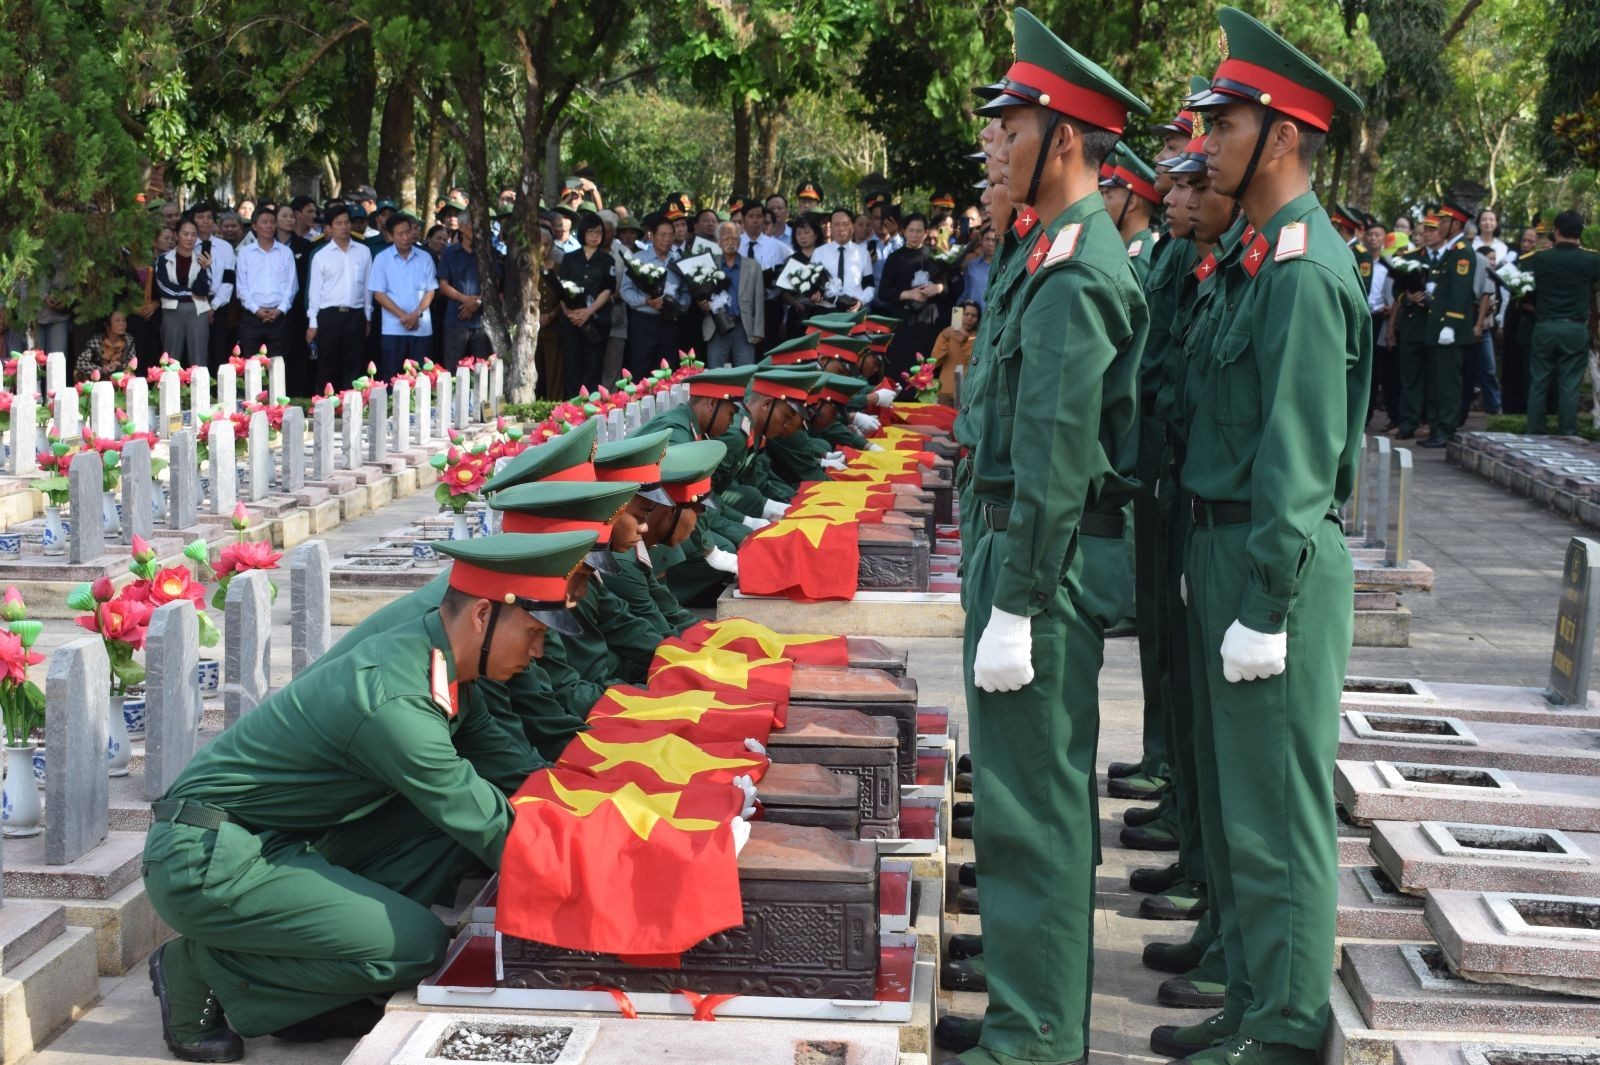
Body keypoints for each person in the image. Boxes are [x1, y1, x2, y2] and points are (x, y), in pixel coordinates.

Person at [142, 531, 594, 1062]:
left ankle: (316, 981)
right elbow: (488, 824)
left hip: (274, 840)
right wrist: (592, 887)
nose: (540, 652)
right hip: (207, 860)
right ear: (481, 618)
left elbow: (506, 769)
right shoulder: (397, 698)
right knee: (419, 948)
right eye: (534, 632)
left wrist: (593, 814)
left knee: (443, 824)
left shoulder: (439, 663)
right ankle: (199, 966)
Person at [1158, 10, 1368, 1065]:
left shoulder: (1300, 272)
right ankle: (1249, 1002)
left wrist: (1267, 599)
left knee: (1278, 816)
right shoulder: (1256, 261)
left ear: (1280, 134)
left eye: (1223, 126)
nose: (1204, 146)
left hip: (1266, 560)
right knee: (1238, 808)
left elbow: (1295, 448)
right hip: (1224, 545)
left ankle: (1285, 1030)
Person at [945, 11, 1149, 1065]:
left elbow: (1059, 456)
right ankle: (1029, 1021)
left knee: (1034, 815)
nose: (997, 146)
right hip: (1013, 550)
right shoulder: (1050, 252)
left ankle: (1032, 1043)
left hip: (1041, 564)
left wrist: (1018, 599)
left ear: (1063, 137)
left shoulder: (1076, 270)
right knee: (1020, 805)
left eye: (1011, 129)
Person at [1522, 210, 1600, 435]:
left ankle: (1534, 431)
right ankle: (1567, 433)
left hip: (1545, 326)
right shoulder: (1591, 259)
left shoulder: (1541, 258)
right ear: (1580, 233)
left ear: (1556, 232)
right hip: (1575, 328)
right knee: (1569, 384)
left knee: (1539, 381)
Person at [1420, 196, 1481, 448]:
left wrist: (1450, 324)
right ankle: (1436, 428)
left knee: (1447, 384)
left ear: (1455, 224)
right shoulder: (1450, 252)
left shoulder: (1462, 253)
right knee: (1436, 382)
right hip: (1437, 325)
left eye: (1443, 221)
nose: (1439, 225)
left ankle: (1445, 429)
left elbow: (1460, 292)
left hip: (1449, 329)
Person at [305, 204, 373, 390]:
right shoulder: (321, 255)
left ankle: (351, 405)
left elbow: (368, 287)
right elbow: (315, 292)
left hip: (355, 314)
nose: (344, 227)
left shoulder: (363, 251)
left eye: (346, 222)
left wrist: (368, 316)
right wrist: (313, 323)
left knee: (354, 363)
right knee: (327, 364)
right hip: (329, 315)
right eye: (338, 223)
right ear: (329, 228)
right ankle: (323, 404)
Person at [877, 213, 952, 378]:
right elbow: (883, 292)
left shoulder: (935, 256)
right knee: (902, 367)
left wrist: (939, 287)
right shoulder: (895, 258)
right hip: (903, 321)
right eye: (911, 230)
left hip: (929, 322)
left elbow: (952, 285)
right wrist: (907, 294)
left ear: (926, 233)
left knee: (926, 366)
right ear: (904, 231)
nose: (914, 235)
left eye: (919, 231)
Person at [367, 212, 438, 378]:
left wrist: (416, 314)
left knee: (421, 378)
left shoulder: (425, 257)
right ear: (391, 236)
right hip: (393, 328)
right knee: (393, 377)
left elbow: (431, 290)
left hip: (421, 329)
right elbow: (378, 294)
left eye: (408, 231)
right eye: (400, 233)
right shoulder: (382, 259)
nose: (406, 237)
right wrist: (404, 316)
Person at [618, 213, 684, 377]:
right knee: (641, 369)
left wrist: (680, 305)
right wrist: (646, 301)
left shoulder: (678, 260)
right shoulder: (639, 259)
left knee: (668, 370)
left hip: (670, 322)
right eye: (662, 235)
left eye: (670, 235)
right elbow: (625, 290)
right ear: (652, 236)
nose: (667, 239)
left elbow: (686, 291)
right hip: (644, 322)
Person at [556, 211, 616, 390]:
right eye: (591, 232)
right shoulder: (569, 258)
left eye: (599, 232)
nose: (595, 236)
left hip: (597, 319)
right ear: (582, 233)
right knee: (573, 366)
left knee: (593, 367)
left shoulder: (607, 260)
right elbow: (561, 287)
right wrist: (568, 312)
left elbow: (608, 288)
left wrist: (589, 312)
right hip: (572, 320)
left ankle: (592, 408)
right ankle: (571, 409)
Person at [235, 206, 299, 361]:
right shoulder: (245, 253)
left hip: (279, 317)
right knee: (252, 364)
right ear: (255, 226)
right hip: (252, 317)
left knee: (278, 364)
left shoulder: (285, 252)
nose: (269, 226)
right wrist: (256, 310)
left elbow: (292, 286)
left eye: (272, 222)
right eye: (264, 222)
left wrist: (280, 309)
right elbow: (241, 287)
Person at [438, 214, 498, 371]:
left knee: (483, 369)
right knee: (452, 369)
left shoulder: (489, 253)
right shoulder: (450, 253)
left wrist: (477, 302)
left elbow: (497, 285)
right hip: (455, 319)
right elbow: (443, 285)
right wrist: (465, 300)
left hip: (481, 322)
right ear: (462, 227)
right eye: (473, 224)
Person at [705, 220, 765, 369]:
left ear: (740, 241)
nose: (730, 241)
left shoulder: (753, 266)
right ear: (718, 242)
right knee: (715, 373)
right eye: (726, 238)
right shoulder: (709, 264)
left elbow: (759, 300)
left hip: (743, 327)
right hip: (716, 326)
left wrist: (758, 329)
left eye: (734, 238)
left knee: (745, 373)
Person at [155, 218, 214, 367]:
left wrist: (205, 269)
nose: (189, 238)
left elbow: (203, 290)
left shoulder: (202, 259)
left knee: (199, 358)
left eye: (193, 235)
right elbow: (164, 287)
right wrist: (188, 294)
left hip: (198, 311)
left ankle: (200, 389)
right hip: (172, 311)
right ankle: (170, 390)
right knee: (171, 358)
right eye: (185, 234)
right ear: (176, 235)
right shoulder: (164, 259)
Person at [777, 214, 829, 335]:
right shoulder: (791, 260)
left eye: (806, 232)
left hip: (823, 314)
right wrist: (796, 302)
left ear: (816, 234)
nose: (802, 236)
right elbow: (782, 292)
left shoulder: (826, 256)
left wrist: (820, 293)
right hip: (798, 316)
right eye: (798, 233)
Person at [819, 207, 876, 313]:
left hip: (854, 310)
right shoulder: (819, 253)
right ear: (830, 227)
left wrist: (861, 301)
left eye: (845, 224)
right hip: (826, 311)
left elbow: (870, 286)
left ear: (852, 227)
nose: (841, 228)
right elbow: (814, 283)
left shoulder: (863, 253)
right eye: (836, 224)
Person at [930, 301, 979, 404]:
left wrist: (965, 342)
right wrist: (944, 338)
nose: (969, 318)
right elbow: (934, 362)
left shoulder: (978, 338)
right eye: (966, 314)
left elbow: (973, 363)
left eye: (973, 315)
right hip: (945, 393)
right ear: (959, 315)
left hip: (968, 394)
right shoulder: (946, 334)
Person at [75, 310, 137, 383]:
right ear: (107, 324)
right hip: (100, 376)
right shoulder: (97, 340)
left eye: (124, 320)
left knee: (131, 375)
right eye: (117, 321)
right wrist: (102, 369)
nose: (122, 324)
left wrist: (118, 366)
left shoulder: (128, 339)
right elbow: (81, 362)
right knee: (77, 373)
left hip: (118, 375)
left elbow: (132, 361)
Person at [963, 228, 997, 311]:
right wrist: (956, 321)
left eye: (994, 240)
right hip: (972, 317)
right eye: (987, 239)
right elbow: (965, 293)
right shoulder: (971, 265)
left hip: (994, 318)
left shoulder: (1004, 267)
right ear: (981, 241)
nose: (990, 243)